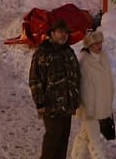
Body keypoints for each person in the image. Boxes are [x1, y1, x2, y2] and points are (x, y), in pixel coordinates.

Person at [30, 20, 81, 159]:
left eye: (65, 32)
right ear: (51, 33)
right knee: (53, 140)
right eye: (60, 32)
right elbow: (35, 79)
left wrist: (75, 99)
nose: (63, 35)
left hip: (67, 106)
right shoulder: (43, 53)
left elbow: (75, 76)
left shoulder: (68, 52)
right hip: (51, 106)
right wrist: (40, 103)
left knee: (63, 140)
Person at [70, 29, 114, 159]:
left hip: (101, 104)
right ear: (89, 46)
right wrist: (88, 108)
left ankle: (76, 156)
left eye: (100, 42)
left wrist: (110, 96)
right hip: (89, 107)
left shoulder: (104, 57)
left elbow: (109, 80)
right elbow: (84, 88)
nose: (99, 46)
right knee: (95, 139)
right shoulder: (84, 61)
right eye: (95, 44)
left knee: (86, 133)